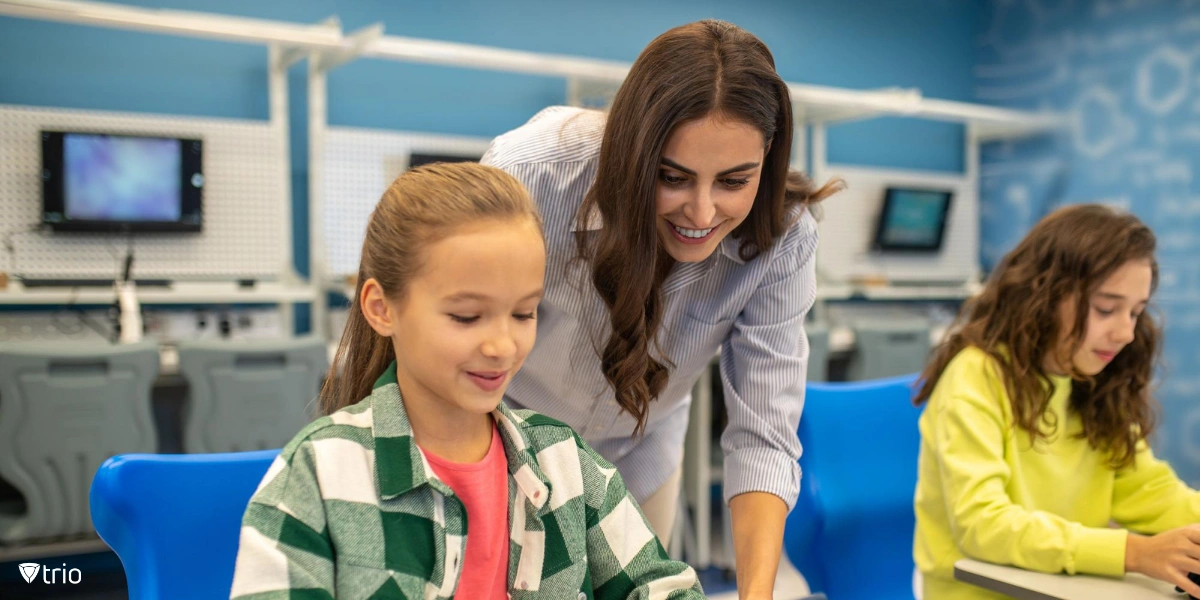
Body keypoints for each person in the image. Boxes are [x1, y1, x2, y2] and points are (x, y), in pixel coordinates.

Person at [228, 163, 704, 599]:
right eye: (466, 316)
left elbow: (666, 587)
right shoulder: (319, 476)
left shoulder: (567, 465)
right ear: (381, 308)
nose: (503, 346)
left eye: (524, 313)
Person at [482, 20, 842, 595]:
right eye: (672, 178)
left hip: (639, 449)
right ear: (634, 150)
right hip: (504, 436)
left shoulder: (784, 238)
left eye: (733, 181)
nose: (701, 214)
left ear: (766, 160)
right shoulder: (530, 176)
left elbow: (763, 435)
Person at [913, 204, 1200, 599]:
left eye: (1135, 312)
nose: (1126, 333)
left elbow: (1149, 489)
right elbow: (984, 527)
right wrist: (1132, 553)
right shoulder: (976, 377)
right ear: (1045, 294)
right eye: (1106, 309)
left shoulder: (1094, 383)